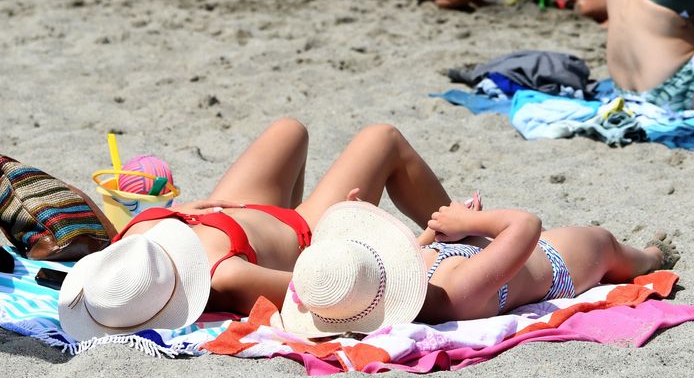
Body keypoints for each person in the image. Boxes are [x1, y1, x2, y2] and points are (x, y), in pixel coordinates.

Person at [58, 120, 461, 341]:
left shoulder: (131, 250)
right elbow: (340, 292)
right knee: (382, 138)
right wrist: (361, 238)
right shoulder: (227, 275)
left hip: (224, 213)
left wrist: (178, 212)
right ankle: (462, 231)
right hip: (300, 229)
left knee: (290, 129)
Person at [282, 199, 678, 333]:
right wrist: (467, 224)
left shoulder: (408, 285)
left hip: (497, 255)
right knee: (605, 244)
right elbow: (527, 225)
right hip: (556, 264)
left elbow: (417, 252)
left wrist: (437, 234)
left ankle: (641, 254)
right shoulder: (455, 295)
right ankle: (651, 257)